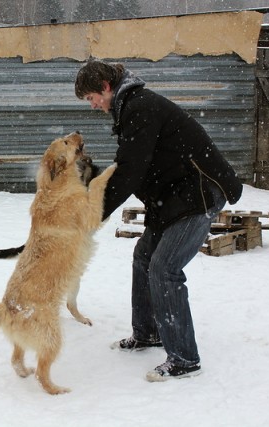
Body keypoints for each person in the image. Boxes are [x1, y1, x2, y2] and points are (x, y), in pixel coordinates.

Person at [74, 59, 243, 382]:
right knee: (144, 257)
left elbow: (130, 171)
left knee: (165, 269)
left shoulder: (140, 108)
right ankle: (147, 333)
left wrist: (95, 213)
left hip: (199, 194)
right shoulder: (131, 108)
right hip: (174, 197)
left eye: (91, 97)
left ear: (106, 87)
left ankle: (184, 358)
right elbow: (137, 167)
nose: (93, 105)